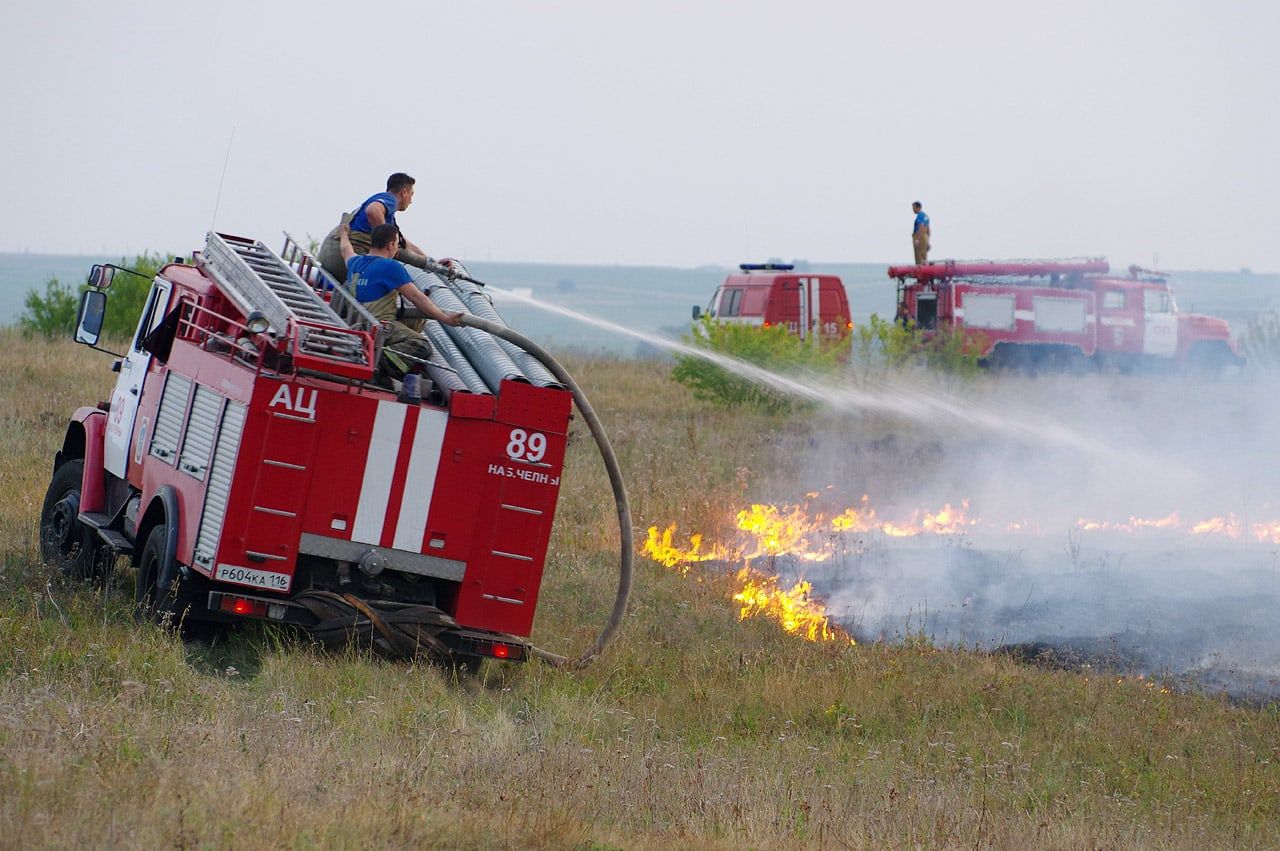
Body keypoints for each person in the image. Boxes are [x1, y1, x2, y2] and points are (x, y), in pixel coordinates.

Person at [339, 221, 464, 383]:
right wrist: (446, 318)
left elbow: (345, 249)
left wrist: (343, 234)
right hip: (380, 326)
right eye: (397, 244)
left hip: (357, 323)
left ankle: (380, 360)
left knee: (416, 321)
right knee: (421, 345)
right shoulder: (390, 267)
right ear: (391, 245)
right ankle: (382, 366)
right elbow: (416, 298)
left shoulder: (356, 262)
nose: (397, 248)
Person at [320, 173, 431, 282]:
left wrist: (430, 261)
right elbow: (372, 210)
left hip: (332, 254)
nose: (411, 201)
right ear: (404, 192)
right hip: (343, 257)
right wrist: (385, 239)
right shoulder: (390, 200)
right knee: (391, 281)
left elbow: (405, 244)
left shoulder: (387, 216)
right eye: (411, 195)